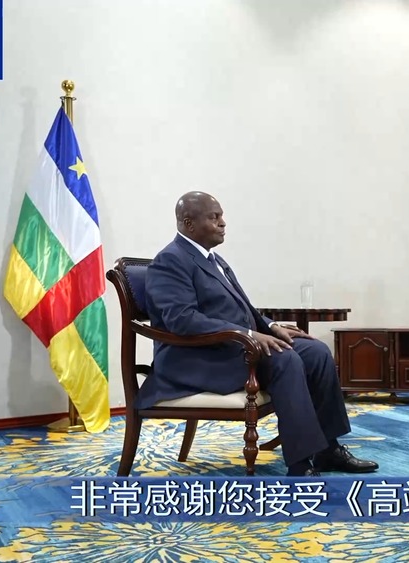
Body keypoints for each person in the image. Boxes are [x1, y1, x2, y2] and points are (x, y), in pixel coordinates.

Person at [139, 191, 378, 477]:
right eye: (214, 217)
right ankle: (300, 465)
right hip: (196, 359)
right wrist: (249, 334)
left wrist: (272, 327)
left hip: (230, 348)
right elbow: (182, 319)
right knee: (285, 359)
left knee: (316, 353)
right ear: (189, 224)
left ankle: (327, 449)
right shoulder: (170, 260)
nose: (223, 223)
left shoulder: (214, 260)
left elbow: (242, 309)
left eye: (221, 216)